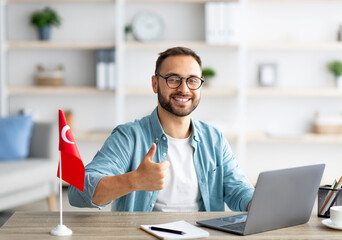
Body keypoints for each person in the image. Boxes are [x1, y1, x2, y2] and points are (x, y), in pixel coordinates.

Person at [68, 47, 254, 212]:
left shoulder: (214, 138)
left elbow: (237, 189)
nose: (184, 89)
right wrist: (135, 180)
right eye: (173, 79)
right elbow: (78, 192)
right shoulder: (129, 137)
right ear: (155, 84)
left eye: (192, 80)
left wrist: (256, 203)